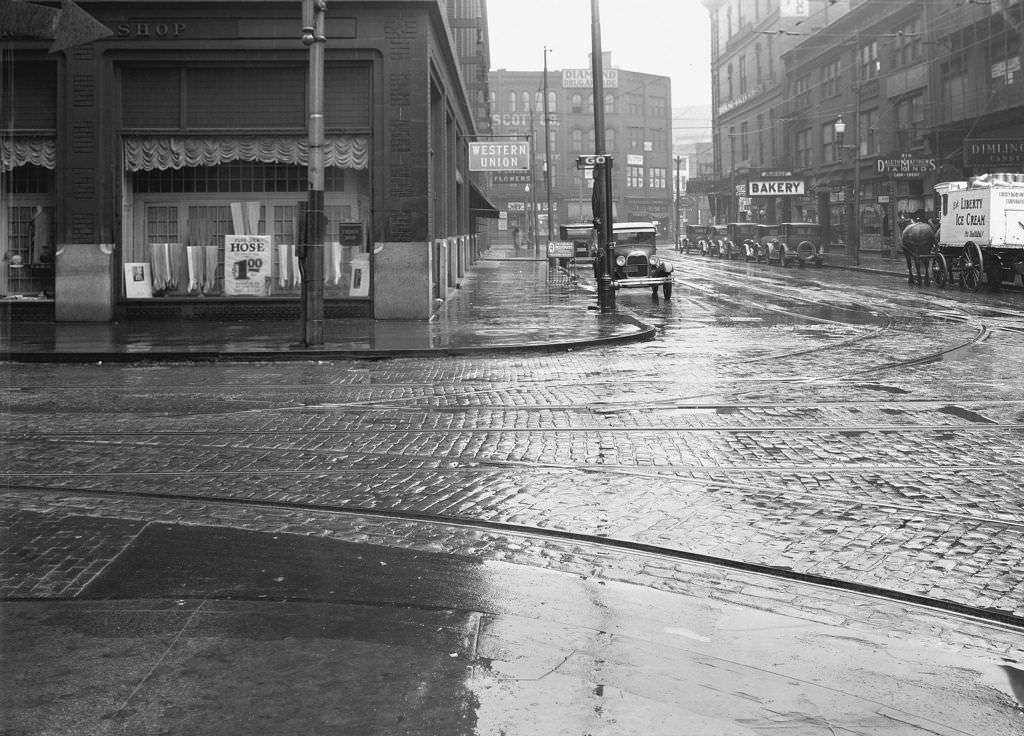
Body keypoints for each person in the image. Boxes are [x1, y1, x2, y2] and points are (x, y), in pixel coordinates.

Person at [901, 211, 936, 286]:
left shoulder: (907, 230)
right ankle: (927, 276)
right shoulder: (928, 227)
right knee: (926, 258)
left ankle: (916, 277)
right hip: (927, 246)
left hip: (915, 247)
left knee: (914, 257)